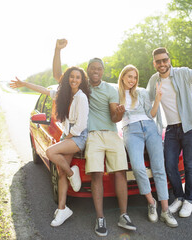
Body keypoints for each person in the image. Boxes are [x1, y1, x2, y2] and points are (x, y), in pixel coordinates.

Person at [53, 39, 136, 237]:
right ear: (87, 71)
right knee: (97, 175)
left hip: (111, 133)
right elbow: (58, 75)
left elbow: (114, 116)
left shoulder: (110, 89)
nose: (96, 71)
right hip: (92, 136)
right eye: (92, 68)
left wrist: (120, 113)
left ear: (103, 71)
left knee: (120, 172)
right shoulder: (82, 87)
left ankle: (124, 215)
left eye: (99, 68)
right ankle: (100, 217)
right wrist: (57, 50)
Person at [10, 66, 90, 227]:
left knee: (50, 151)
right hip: (67, 135)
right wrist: (24, 83)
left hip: (78, 136)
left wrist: (66, 137)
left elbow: (80, 125)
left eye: (78, 77)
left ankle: (72, 173)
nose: (74, 80)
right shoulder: (64, 95)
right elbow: (44, 90)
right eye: (72, 77)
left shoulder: (82, 97)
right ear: (68, 78)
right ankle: (62, 209)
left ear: (82, 81)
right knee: (61, 174)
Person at [146, 42, 192, 218]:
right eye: (158, 61)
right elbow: (147, 102)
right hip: (171, 129)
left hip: (190, 127)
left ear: (169, 60)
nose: (162, 64)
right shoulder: (154, 80)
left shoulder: (183, 72)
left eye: (164, 60)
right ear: (154, 63)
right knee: (170, 165)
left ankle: (189, 201)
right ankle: (179, 196)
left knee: (190, 165)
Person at [117, 64, 178, 228]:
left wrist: (157, 100)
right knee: (137, 167)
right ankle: (151, 202)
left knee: (159, 167)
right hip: (131, 130)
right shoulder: (116, 95)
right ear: (122, 77)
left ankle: (165, 210)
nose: (132, 80)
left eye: (135, 77)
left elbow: (151, 114)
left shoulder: (142, 92)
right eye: (129, 76)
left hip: (150, 128)